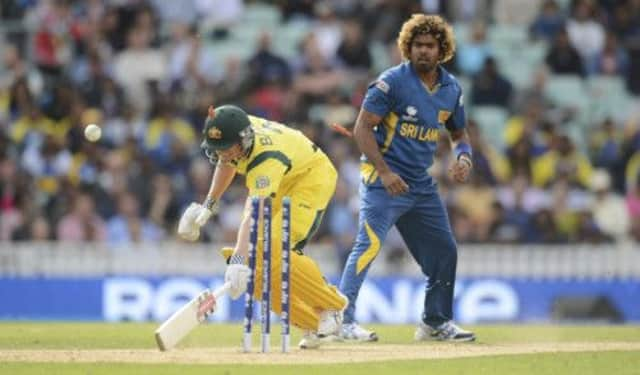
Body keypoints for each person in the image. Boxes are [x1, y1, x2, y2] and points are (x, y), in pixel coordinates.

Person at [338, 14, 476, 342]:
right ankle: (341, 321)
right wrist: (385, 172)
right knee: (368, 245)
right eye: (417, 45)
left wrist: (464, 156)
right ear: (407, 47)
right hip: (382, 181)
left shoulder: (451, 89)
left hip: (420, 185)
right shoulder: (392, 82)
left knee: (445, 251)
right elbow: (361, 128)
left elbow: (459, 133)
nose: (423, 51)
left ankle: (434, 323)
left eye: (430, 46)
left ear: (442, 49)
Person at [177, 104, 347, 349]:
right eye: (217, 150)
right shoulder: (236, 135)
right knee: (255, 269)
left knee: (274, 247)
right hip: (283, 177)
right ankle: (312, 323)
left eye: (226, 149)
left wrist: (237, 259)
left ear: (243, 141)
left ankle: (332, 304)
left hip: (309, 179)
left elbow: (255, 215)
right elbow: (226, 163)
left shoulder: (266, 158)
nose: (222, 155)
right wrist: (208, 204)